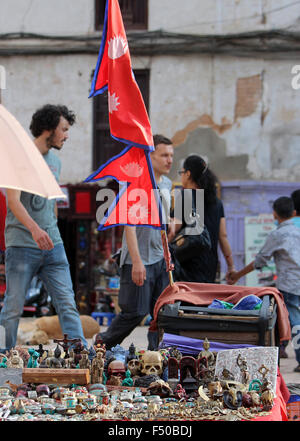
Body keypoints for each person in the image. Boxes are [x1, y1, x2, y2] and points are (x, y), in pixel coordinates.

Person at [0, 104, 88, 350]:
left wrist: (52, 230)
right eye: (64, 129)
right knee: (13, 308)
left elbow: (52, 202)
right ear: (48, 129)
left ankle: (79, 356)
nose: (66, 135)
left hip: (53, 246)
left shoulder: (55, 162)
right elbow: (13, 202)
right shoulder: (17, 158)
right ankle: (3, 359)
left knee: (67, 303)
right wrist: (36, 230)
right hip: (21, 244)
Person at [96, 135, 174, 350]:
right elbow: (128, 225)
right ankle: (101, 346)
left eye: (171, 155)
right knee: (135, 312)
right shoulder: (135, 183)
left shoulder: (167, 183)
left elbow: (162, 220)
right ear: (150, 156)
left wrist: (170, 224)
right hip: (138, 260)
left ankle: (156, 356)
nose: (169, 160)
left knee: (161, 313)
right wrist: (137, 262)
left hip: (160, 258)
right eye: (164, 155)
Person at [227, 196, 300, 372]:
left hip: (289, 285)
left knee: (293, 322)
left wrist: (237, 275)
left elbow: (259, 261)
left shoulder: (277, 234)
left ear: (274, 214)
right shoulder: (298, 231)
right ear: (294, 213)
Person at [168, 155, 235, 283]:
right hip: (210, 266)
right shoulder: (217, 203)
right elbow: (223, 236)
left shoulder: (186, 197)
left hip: (187, 265)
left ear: (187, 174)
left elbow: (173, 229)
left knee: (186, 302)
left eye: (181, 173)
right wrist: (231, 266)